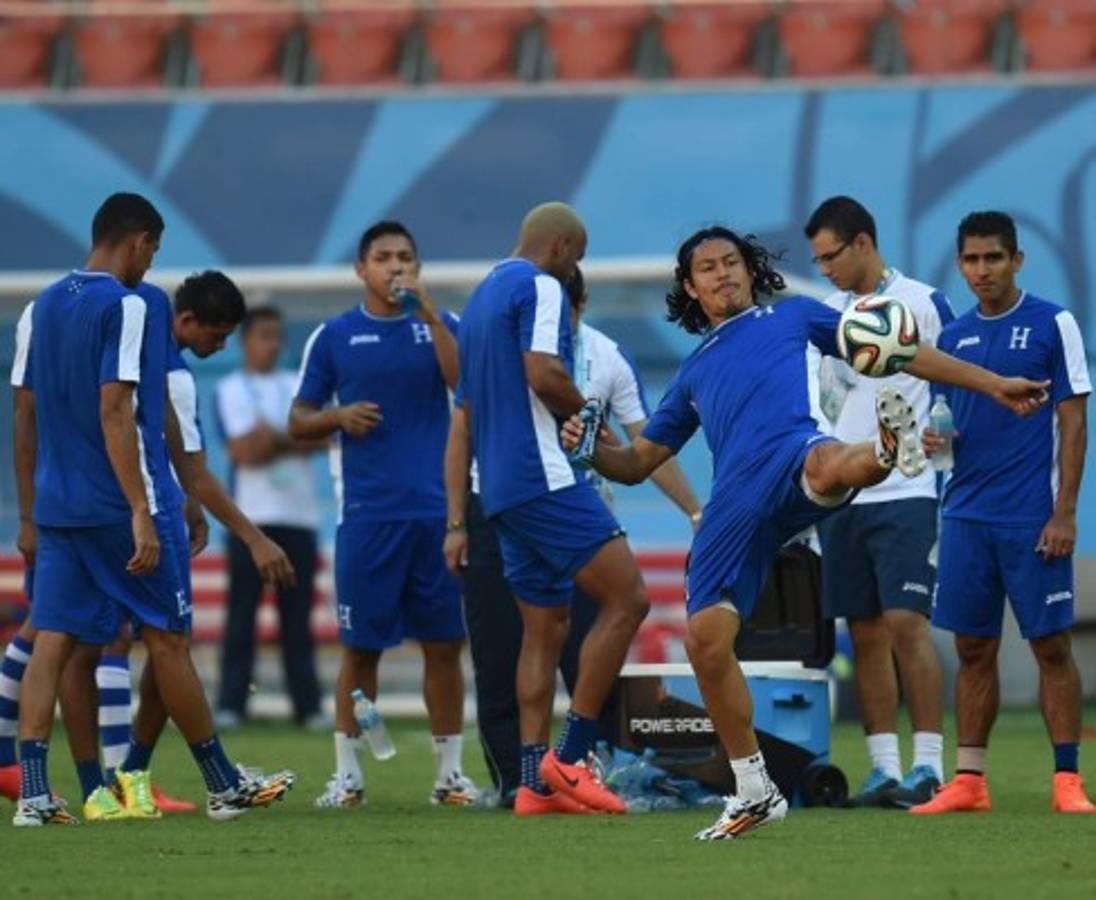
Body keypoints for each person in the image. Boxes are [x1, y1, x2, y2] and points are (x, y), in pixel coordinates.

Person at [560, 225, 1049, 840]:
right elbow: (637, 463)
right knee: (705, 643)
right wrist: (595, 451)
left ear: (750, 269)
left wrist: (992, 382)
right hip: (734, 505)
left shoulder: (791, 317)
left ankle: (884, 448)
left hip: (794, 455)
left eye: (731, 262)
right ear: (690, 286)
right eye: (707, 268)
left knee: (829, 464)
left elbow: (899, 353)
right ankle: (754, 789)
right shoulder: (691, 374)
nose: (723, 274)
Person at [12, 193, 294, 826]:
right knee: (168, 640)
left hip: (58, 505)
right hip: (118, 501)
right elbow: (120, 409)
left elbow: (24, 417)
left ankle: (41, 793)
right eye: (155, 249)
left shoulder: (40, 307)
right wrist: (143, 507)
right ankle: (221, 783)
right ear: (140, 240)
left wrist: (29, 516)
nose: (152, 263)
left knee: (55, 638)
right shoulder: (133, 304)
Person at [448, 265, 701, 804]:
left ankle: (535, 784)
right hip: (545, 490)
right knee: (627, 601)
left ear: (579, 307)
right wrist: (454, 520)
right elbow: (465, 424)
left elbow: (645, 446)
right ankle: (565, 760)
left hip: (525, 496)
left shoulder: (605, 356)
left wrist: (694, 510)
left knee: (547, 631)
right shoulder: (518, 346)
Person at [911, 211, 1093, 815]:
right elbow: (946, 427)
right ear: (960, 264)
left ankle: (1067, 780)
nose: (981, 270)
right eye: (971, 259)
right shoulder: (954, 339)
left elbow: (1072, 419)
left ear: (1017, 260)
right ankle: (969, 781)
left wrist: (1064, 512)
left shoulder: (1051, 322)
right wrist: (939, 443)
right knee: (972, 648)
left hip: (1030, 517)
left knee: (1049, 647)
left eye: (993, 258)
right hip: (964, 516)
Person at [291, 220, 477, 809]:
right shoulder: (334, 336)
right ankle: (348, 776)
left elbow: (463, 384)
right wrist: (336, 419)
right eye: (383, 257)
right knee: (359, 649)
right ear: (360, 269)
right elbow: (298, 419)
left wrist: (428, 314)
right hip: (368, 518)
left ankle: (449, 776)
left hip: (438, 514)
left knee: (444, 646)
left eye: (405, 258)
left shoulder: (442, 325)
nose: (395, 267)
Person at [105, 270, 297, 818]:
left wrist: (185, 504)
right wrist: (253, 536)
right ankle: (219, 781)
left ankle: (125, 775)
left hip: (131, 506)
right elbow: (194, 472)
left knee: (154, 645)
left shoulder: (148, 354)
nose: (221, 347)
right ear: (186, 321)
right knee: (161, 645)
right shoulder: (170, 371)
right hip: (148, 515)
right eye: (217, 335)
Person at [804, 196, 952, 807]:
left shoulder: (922, 302)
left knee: (904, 625)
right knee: (862, 632)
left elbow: (954, 381)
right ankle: (883, 769)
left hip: (909, 489)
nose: (826, 269)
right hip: (844, 495)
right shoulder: (827, 317)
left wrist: (946, 431)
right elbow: (824, 402)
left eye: (831, 255)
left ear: (863, 242)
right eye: (818, 260)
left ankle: (931, 766)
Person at [214, 305, 324, 730]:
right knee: (241, 617)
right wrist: (292, 437)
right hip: (251, 520)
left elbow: (321, 437)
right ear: (245, 341)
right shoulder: (230, 388)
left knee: (297, 622)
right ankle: (231, 705)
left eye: (278, 336)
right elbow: (243, 452)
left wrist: (272, 437)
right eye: (264, 335)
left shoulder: (295, 384)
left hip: (299, 518)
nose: (272, 344)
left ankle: (308, 707)